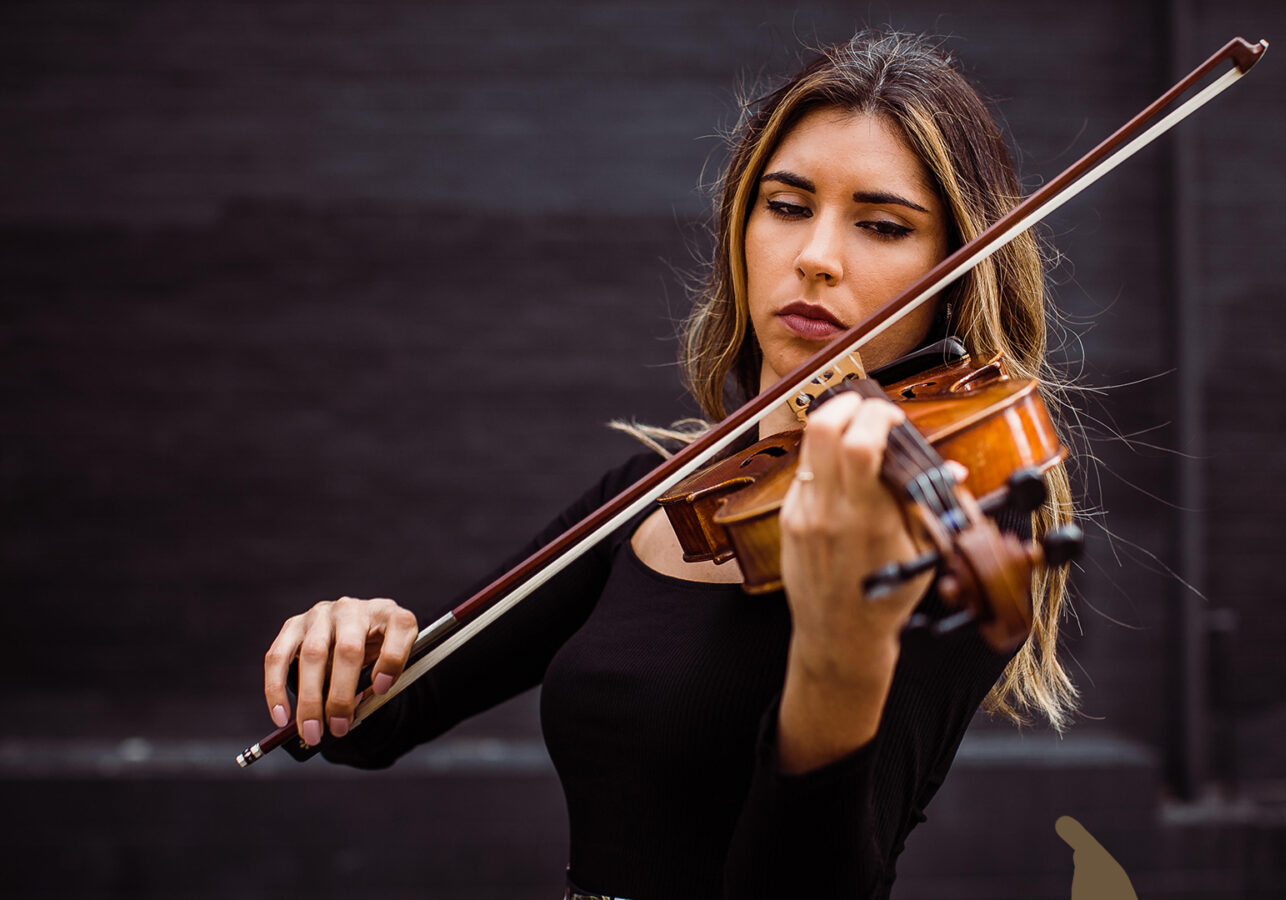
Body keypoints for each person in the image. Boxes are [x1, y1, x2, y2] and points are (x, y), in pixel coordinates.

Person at [262, 30, 1079, 899]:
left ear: (956, 273)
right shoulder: (666, 490)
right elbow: (368, 726)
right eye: (788, 205)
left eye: (882, 226)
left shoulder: (946, 520)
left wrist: (841, 656)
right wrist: (351, 642)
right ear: (743, 224)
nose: (816, 256)